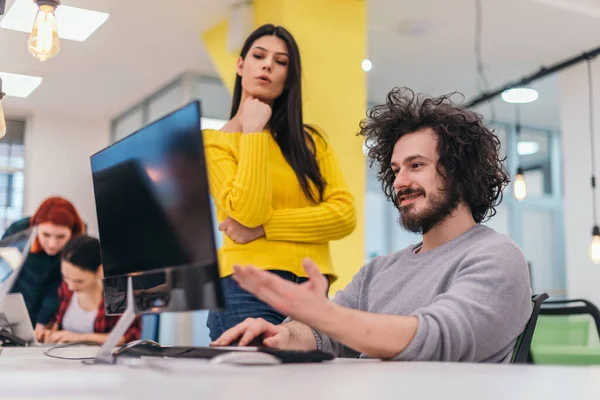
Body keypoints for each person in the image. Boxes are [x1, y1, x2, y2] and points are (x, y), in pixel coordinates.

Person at [211, 88, 533, 363]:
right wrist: (282, 334)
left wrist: (325, 314)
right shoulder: (377, 272)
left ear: (460, 172)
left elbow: (437, 338)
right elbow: (325, 335)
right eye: (395, 171)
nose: (400, 182)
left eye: (416, 166)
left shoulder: (496, 257)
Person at [202, 24, 356, 340]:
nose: (268, 65)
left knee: (308, 388)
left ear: (288, 77)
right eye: (259, 56)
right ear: (241, 65)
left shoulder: (313, 142)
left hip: (312, 290)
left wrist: (265, 229)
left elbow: (343, 216)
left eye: (281, 61)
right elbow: (248, 212)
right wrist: (253, 132)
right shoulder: (214, 143)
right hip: (245, 287)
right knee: (251, 387)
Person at [0, 196, 86, 342]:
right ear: (35, 228)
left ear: (72, 234)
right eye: (45, 235)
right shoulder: (19, 231)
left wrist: (42, 323)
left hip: (45, 309)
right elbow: (3, 270)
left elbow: (57, 288)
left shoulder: (78, 244)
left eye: (61, 237)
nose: (52, 244)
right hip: (10, 301)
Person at [40, 235, 141, 345]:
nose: (71, 287)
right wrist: (47, 333)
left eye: (79, 281)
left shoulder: (119, 295)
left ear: (100, 270)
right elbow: (55, 322)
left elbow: (128, 337)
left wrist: (78, 338)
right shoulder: (65, 289)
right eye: (66, 277)